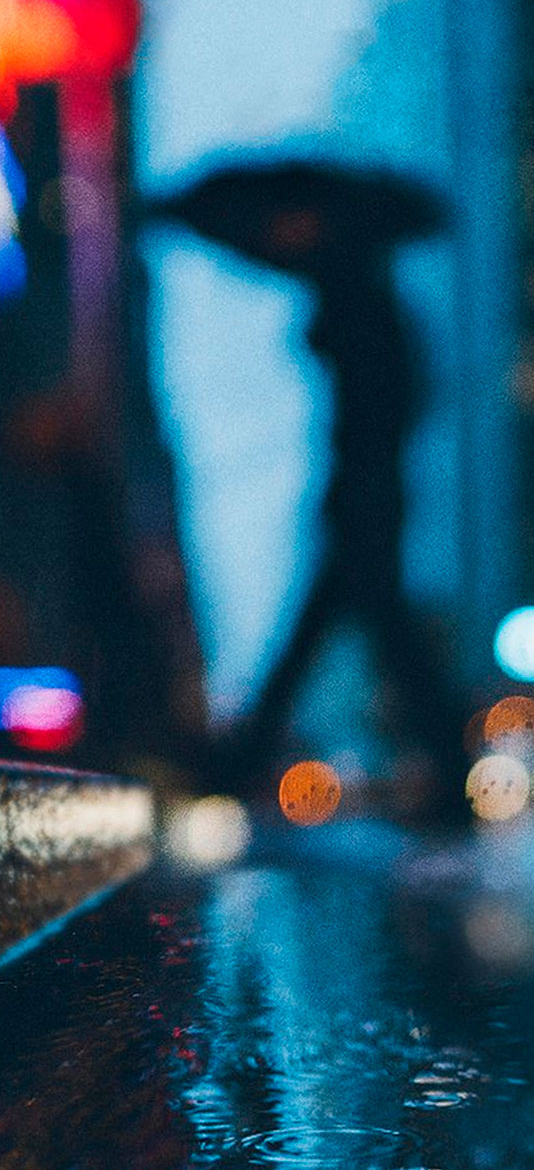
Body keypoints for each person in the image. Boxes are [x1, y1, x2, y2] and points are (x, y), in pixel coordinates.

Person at [142, 163, 468, 815]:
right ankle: (243, 766)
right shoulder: (355, 293)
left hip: (363, 498)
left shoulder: (360, 302)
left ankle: (239, 769)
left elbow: (380, 418)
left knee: (353, 634)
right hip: (364, 496)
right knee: (363, 634)